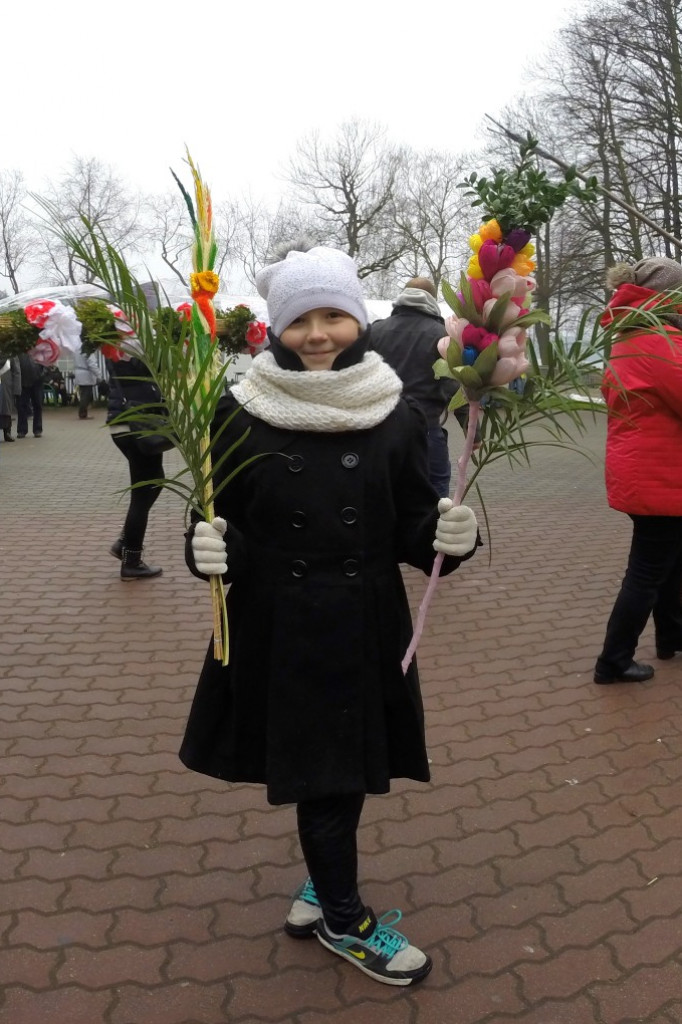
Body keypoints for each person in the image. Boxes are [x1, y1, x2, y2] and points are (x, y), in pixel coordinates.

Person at [180, 246, 480, 986]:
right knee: (326, 776)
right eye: (301, 320)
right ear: (277, 329)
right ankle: (345, 920)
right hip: (281, 622)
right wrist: (209, 548)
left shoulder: (396, 412)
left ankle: (323, 885)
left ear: (360, 319)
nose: (318, 334)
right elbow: (221, 518)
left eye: (335, 316)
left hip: (366, 616)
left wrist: (450, 538)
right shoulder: (237, 408)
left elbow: (413, 520)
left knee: (342, 774)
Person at [594, 256, 682, 685]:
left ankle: (672, 636)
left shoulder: (632, 336)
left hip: (648, 474)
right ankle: (613, 660)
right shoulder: (659, 342)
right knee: (647, 571)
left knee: (669, 562)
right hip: (660, 479)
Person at [370, 277, 477, 498]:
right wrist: (472, 431)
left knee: (383, 494)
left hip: (379, 430)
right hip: (426, 429)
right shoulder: (443, 336)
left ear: (403, 296)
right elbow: (454, 385)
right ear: (433, 298)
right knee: (434, 492)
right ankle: (430, 532)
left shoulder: (375, 331)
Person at [106, 351, 164, 580]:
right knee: (142, 493)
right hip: (137, 423)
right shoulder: (131, 345)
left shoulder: (117, 343)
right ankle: (131, 560)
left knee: (155, 481)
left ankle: (125, 543)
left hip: (124, 422)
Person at [16, 352, 44, 438]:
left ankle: (37, 429)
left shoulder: (39, 350)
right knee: (21, 406)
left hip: (37, 382)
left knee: (37, 405)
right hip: (23, 382)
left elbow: (45, 364)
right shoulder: (19, 351)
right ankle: (22, 430)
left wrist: (41, 374)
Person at [73, 350, 101, 419]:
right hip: (86, 374)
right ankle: (82, 413)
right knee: (86, 395)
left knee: (83, 394)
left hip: (79, 372)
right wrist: (99, 375)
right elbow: (92, 364)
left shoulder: (76, 350)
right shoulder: (88, 352)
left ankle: (83, 412)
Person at [0, 355, 21, 441]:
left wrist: (17, 389)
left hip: (6, 387)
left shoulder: (10, 353)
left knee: (6, 410)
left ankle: (7, 432)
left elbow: (16, 372)